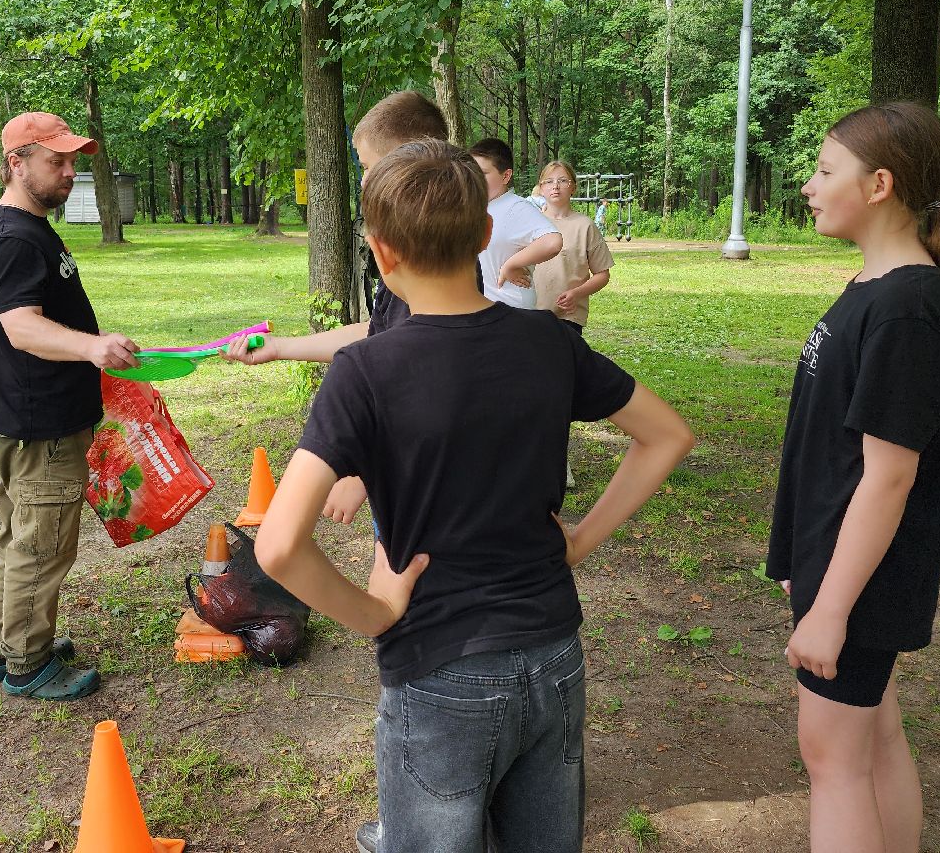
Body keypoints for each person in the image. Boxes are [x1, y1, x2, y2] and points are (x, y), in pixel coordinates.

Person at [254, 140, 694, 853]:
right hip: (554, 655)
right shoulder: (549, 343)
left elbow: (276, 545)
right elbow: (667, 435)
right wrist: (579, 539)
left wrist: (373, 612)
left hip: (437, 671)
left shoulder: (363, 372)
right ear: (488, 234)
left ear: (380, 251)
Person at [769, 103, 940, 853]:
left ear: (880, 185)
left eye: (826, 170)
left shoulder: (905, 306)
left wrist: (832, 606)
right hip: (844, 563)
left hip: (861, 575)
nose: (809, 184)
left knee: (832, 761)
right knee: (873, 740)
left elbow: (889, 478)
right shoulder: (880, 287)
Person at [223, 90, 469, 525]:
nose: (362, 179)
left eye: (369, 165)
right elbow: (379, 334)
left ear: (406, 165)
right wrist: (279, 348)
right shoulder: (416, 272)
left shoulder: (434, 275)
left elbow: (434, 386)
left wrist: (364, 470)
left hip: (424, 493)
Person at [0, 111, 141, 700]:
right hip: (39, 424)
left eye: (73, 161)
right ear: (17, 163)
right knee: (42, 545)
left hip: (24, 416)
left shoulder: (24, 224)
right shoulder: (16, 235)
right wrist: (94, 348)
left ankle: (2, 646)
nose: (69, 172)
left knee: (22, 538)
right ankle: (26, 662)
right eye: (56, 161)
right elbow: (21, 328)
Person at [468, 137, 562, 308]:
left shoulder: (515, 206)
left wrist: (510, 265)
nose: (474, 178)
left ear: (506, 176)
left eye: (482, 173)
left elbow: (552, 241)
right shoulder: (479, 207)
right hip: (484, 309)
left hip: (511, 309)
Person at [534, 161, 613, 336]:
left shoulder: (585, 226)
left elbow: (602, 274)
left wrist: (577, 294)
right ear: (540, 188)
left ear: (573, 188)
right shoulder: (529, 223)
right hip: (528, 313)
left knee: (564, 363)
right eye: (549, 181)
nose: (555, 186)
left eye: (563, 180)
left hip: (568, 316)